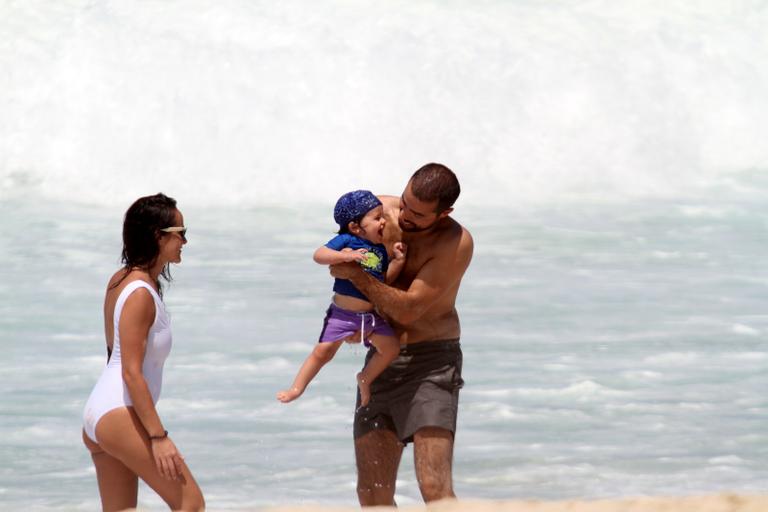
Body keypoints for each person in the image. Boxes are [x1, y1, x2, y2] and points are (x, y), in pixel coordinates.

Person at [329, 163, 473, 506]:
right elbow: (337, 263)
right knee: (372, 494)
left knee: (434, 487)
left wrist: (360, 278)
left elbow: (408, 309)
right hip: (381, 360)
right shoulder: (377, 213)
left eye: (419, 215)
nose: (404, 217)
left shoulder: (454, 242)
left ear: (444, 213)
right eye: (405, 203)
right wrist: (352, 316)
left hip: (432, 364)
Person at [82, 193, 205, 512]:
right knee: (190, 504)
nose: (185, 242)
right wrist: (158, 437)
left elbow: (113, 356)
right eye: (180, 233)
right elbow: (130, 371)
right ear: (157, 236)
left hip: (103, 412)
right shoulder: (140, 295)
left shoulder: (120, 280)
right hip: (119, 411)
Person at [277, 190, 405, 406]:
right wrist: (345, 256)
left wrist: (398, 262)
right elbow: (319, 255)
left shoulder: (380, 250)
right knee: (322, 352)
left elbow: (383, 281)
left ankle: (365, 378)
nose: (384, 222)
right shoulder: (347, 240)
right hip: (342, 316)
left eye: (382, 216)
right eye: (377, 218)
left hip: (369, 318)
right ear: (355, 227)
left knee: (391, 348)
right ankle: (296, 389)